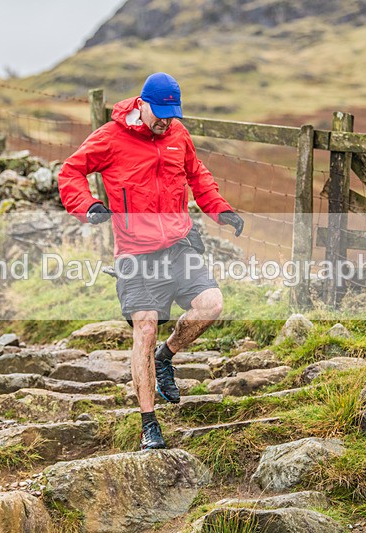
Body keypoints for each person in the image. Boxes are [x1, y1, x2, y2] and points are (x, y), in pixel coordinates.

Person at [57, 72, 244, 450]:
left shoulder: (177, 134)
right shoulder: (110, 138)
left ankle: (166, 356)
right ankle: (149, 425)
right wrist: (88, 205)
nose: (165, 121)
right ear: (142, 104)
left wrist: (220, 210)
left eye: (171, 114)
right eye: (159, 113)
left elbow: (198, 176)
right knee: (144, 327)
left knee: (211, 305)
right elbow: (70, 172)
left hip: (177, 244)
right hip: (135, 254)